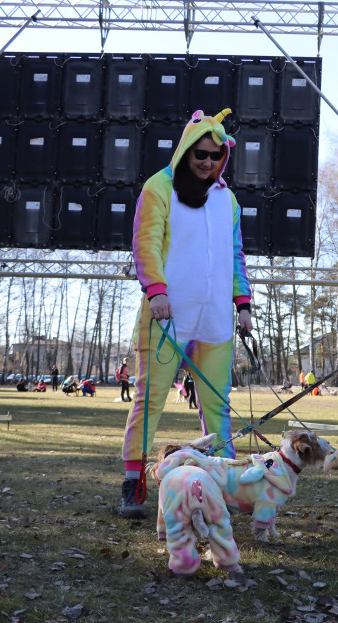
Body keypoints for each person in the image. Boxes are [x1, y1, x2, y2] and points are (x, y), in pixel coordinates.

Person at [118, 108, 254, 519]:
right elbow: (145, 243)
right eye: (201, 154)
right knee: (149, 400)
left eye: (215, 155)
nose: (207, 161)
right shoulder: (158, 187)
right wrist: (156, 291)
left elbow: (235, 255)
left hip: (214, 321)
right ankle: (134, 484)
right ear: (186, 150)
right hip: (166, 317)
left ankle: (226, 485)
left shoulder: (227, 198)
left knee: (218, 408)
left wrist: (242, 302)